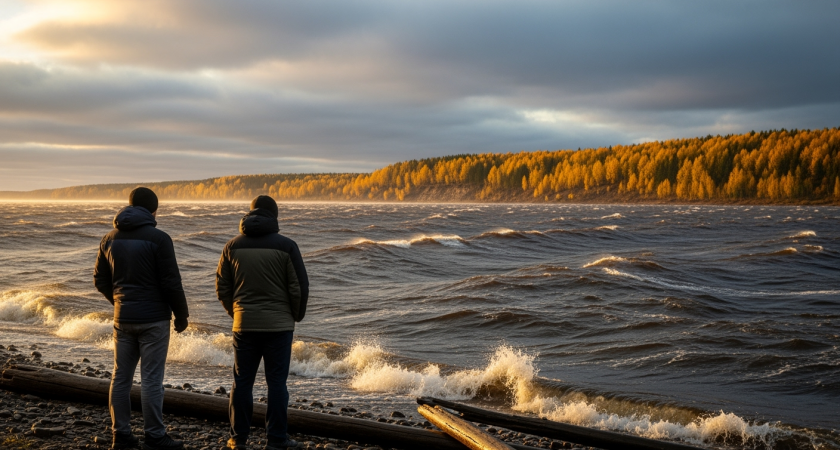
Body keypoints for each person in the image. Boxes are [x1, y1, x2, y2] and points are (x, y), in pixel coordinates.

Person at [94, 187, 190, 450]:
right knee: (150, 379)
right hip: (154, 321)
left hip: (122, 319)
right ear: (154, 211)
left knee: (120, 377)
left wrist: (118, 302)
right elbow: (171, 282)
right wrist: (181, 314)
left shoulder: (109, 238)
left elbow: (99, 279)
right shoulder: (159, 239)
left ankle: (120, 434)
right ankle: (155, 436)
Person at [216, 195, 309, 450]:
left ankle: (238, 438)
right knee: (277, 383)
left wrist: (236, 312)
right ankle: (277, 439)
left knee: (242, 382)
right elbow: (298, 286)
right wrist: (295, 315)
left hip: (243, 324)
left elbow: (222, 288)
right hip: (279, 327)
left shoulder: (231, 246)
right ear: (275, 216)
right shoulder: (287, 246)